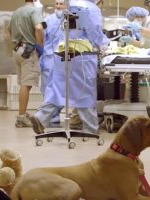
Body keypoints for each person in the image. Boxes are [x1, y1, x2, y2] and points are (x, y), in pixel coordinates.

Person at [30, 0, 109, 134]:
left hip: (63, 52)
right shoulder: (91, 8)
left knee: (58, 88)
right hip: (82, 56)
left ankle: (41, 118)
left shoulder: (72, 4)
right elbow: (94, 32)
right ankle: (91, 129)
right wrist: (105, 43)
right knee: (84, 91)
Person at [7, 0, 45, 128]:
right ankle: (21, 117)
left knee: (23, 84)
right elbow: (39, 28)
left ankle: (22, 113)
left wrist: (17, 42)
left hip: (17, 50)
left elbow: (8, 32)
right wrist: (40, 46)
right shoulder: (34, 10)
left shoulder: (17, 12)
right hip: (29, 51)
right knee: (26, 85)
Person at [39, 0, 65, 125]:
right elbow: (41, 37)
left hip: (63, 58)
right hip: (49, 57)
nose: (59, 6)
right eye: (57, 4)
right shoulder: (47, 20)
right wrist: (41, 54)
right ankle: (50, 117)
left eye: (61, 4)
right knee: (46, 89)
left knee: (61, 89)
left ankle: (52, 116)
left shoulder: (70, 20)